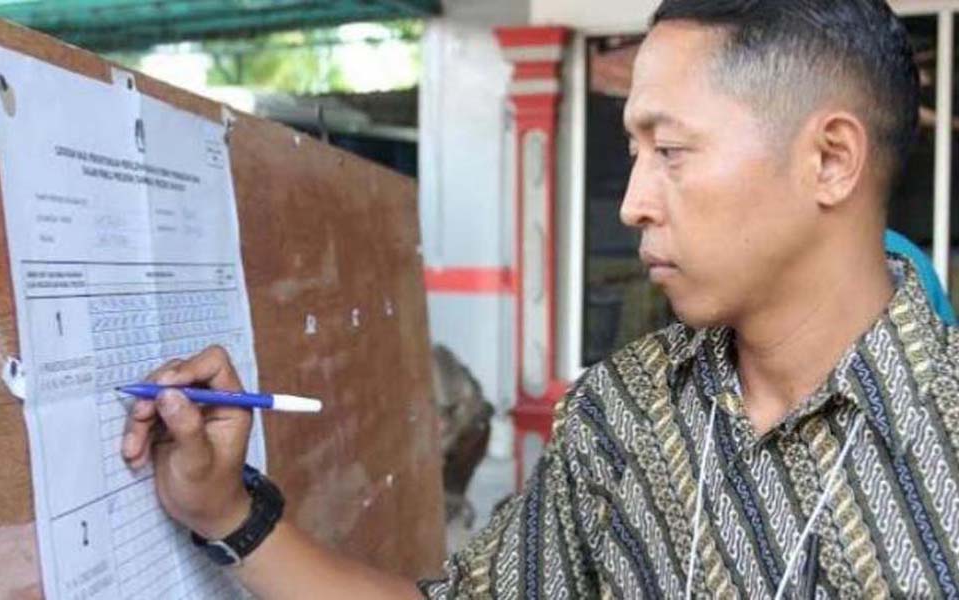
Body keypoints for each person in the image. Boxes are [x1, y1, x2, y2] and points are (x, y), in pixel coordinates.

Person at [122, 0, 959, 597]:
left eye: (669, 149)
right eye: (634, 148)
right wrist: (227, 509)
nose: (634, 201)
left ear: (832, 160)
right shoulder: (625, 414)